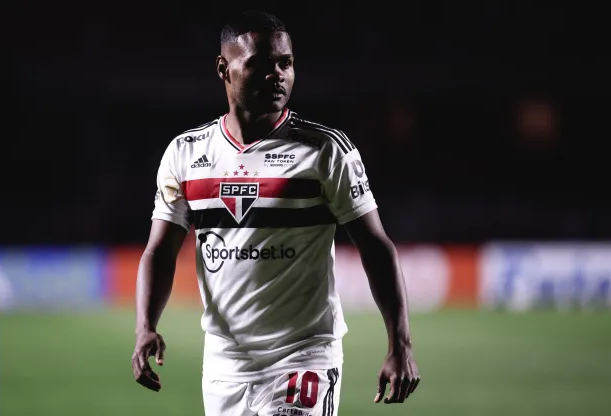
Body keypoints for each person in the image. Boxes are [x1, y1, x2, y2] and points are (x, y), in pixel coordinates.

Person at [131, 10, 420, 415]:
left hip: (304, 357)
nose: (278, 74)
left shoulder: (325, 150)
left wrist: (400, 345)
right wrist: (145, 326)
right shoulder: (186, 153)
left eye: (285, 63)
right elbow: (160, 251)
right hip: (223, 366)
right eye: (260, 64)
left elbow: (375, 246)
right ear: (223, 69)